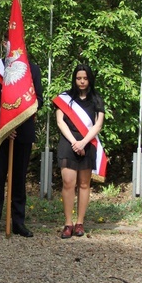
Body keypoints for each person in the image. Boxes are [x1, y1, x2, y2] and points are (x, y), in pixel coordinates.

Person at [0, 34, 43, 238]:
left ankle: (18, 222)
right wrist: (3, 124)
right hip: (0, 133)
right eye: (9, 42)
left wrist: (16, 120)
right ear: (3, 44)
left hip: (23, 132)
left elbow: (38, 100)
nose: (13, 45)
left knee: (19, 178)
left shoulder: (32, 69)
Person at [54, 64, 104, 239]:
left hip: (87, 142)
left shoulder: (97, 99)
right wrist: (75, 142)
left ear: (89, 79)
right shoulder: (65, 98)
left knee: (84, 184)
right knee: (68, 182)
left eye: (85, 78)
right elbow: (60, 122)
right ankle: (68, 223)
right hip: (69, 142)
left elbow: (98, 124)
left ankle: (80, 222)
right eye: (78, 78)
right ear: (74, 79)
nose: (82, 81)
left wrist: (83, 142)